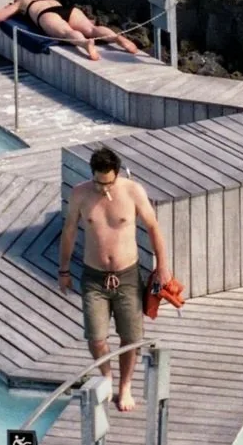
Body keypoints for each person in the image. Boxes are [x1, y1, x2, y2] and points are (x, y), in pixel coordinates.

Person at [56, 145, 172, 411]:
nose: (103, 188)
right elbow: (70, 231)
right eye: (98, 182)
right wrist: (63, 270)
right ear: (92, 175)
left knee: (130, 338)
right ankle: (107, 378)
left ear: (116, 174)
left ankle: (126, 387)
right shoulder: (80, 194)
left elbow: (153, 227)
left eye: (107, 182)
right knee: (96, 337)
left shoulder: (133, 191)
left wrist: (163, 266)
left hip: (127, 276)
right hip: (93, 277)